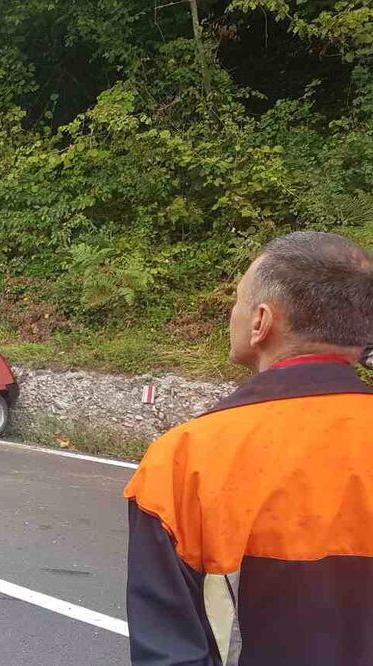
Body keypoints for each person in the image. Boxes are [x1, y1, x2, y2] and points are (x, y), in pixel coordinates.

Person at [124, 231, 373, 666]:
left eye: (236, 301)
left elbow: (169, 654)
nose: (231, 315)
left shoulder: (185, 459)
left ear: (261, 321)